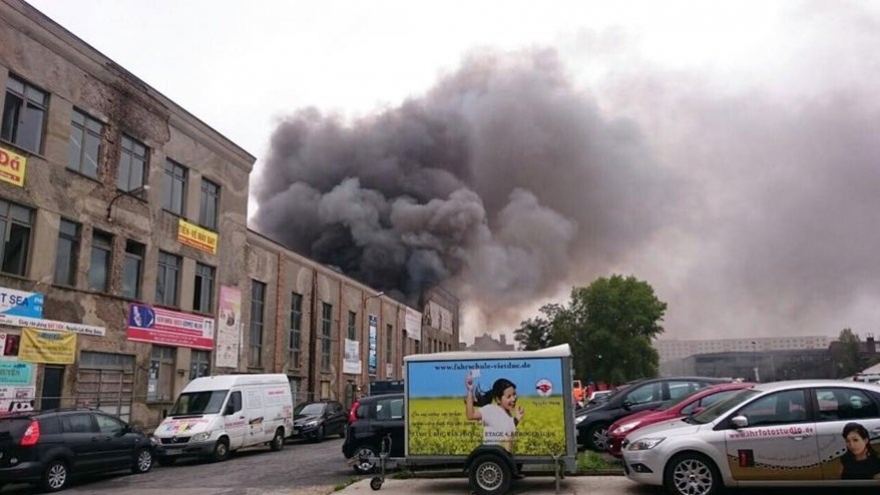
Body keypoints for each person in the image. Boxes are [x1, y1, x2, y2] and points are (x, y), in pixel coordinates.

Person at [464, 374, 525, 453]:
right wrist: (470, 391)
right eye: (508, 396)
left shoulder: (509, 415)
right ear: (498, 399)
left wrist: (516, 419)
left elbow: (506, 430)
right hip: (492, 456)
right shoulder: (490, 410)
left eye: (514, 394)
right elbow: (470, 415)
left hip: (503, 458)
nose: (513, 399)